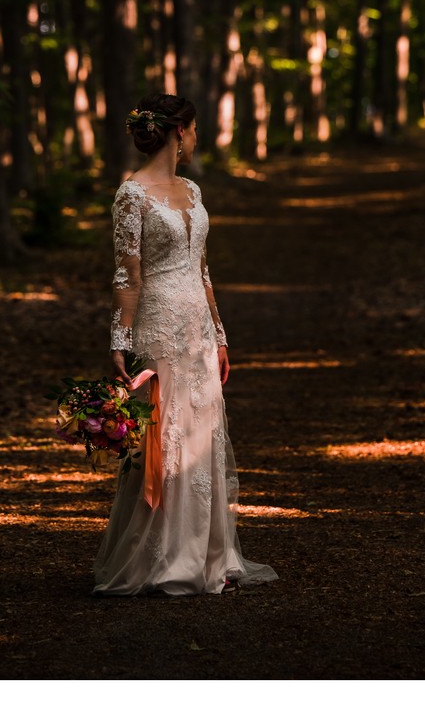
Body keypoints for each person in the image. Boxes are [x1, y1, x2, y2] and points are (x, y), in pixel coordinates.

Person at [93, 92, 278, 596]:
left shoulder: (192, 191)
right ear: (179, 131)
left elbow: (202, 268)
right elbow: (126, 275)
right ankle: (161, 558)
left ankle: (207, 553)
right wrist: (120, 336)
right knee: (164, 436)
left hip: (196, 325)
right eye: (194, 130)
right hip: (158, 324)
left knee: (204, 431)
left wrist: (219, 333)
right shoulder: (131, 195)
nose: (197, 139)